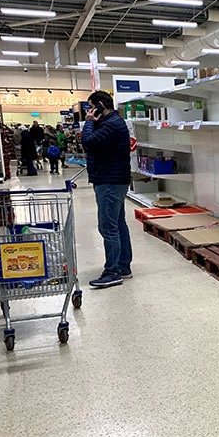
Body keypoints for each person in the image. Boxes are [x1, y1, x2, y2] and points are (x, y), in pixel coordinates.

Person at [82, 90, 132, 288]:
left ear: (101, 104)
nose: (90, 110)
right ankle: (123, 266)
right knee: (119, 224)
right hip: (113, 179)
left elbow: (88, 143)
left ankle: (113, 272)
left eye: (92, 106)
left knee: (108, 227)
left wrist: (88, 122)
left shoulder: (110, 125)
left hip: (110, 182)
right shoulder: (110, 122)